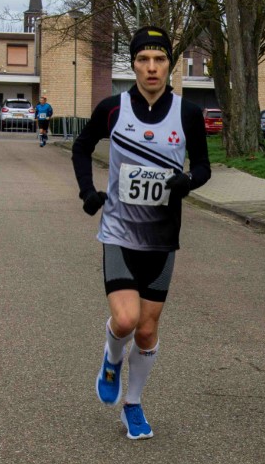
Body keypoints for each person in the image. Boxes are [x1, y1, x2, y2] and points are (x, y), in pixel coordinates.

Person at [72, 26, 211, 439]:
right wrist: (88, 191)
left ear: (169, 64)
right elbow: (81, 146)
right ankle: (112, 356)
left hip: (162, 238)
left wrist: (189, 181)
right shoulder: (113, 109)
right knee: (126, 319)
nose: (151, 68)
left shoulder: (188, 113)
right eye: (143, 60)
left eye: (159, 59)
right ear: (132, 65)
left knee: (147, 331)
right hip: (119, 231)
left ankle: (132, 404)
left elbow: (203, 167)